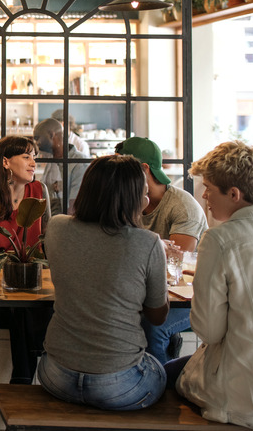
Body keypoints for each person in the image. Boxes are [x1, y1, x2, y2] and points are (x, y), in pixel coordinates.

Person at [38, 154, 169, 411]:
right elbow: (158, 317)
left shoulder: (56, 227)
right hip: (120, 385)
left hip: (54, 375)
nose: (147, 199)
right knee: (164, 369)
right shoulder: (148, 242)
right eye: (143, 193)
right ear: (130, 198)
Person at [165, 141, 253, 430]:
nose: (203, 196)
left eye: (209, 188)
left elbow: (208, 330)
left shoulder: (220, 239)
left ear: (234, 194)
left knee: (157, 377)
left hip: (242, 395)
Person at [0, 135, 51, 384]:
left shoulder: (38, 191)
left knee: (41, 299)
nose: (33, 163)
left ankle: (23, 380)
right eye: (26, 156)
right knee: (20, 305)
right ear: (5, 162)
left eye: (34, 157)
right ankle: (26, 379)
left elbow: (46, 240)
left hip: (32, 271)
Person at [117, 136, 208, 364]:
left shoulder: (182, 206)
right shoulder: (126, 200)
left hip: (190, 298)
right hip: (149, 291)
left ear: (144, 169)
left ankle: (161, 389)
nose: (116, 174)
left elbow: (177, 263)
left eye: (122, 167)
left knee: (154, 326)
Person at [34, 118, 89, 216]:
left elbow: (74, 209)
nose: (36, 143)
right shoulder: (52, 160)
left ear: (52, 135)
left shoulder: (79, 163)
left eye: (37, 138)